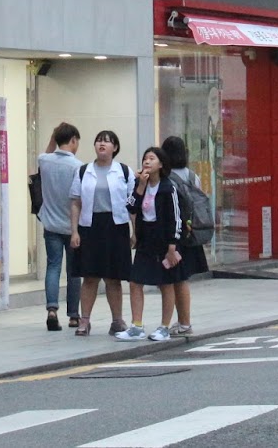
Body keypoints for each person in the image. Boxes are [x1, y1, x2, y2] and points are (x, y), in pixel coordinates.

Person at [68, 129, 133, 337]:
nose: (102, 144)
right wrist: (74, 231)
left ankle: (117, 320)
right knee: (90, 276)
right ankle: (84, 320)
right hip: (90, 226)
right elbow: (76, 202)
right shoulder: (83, 171)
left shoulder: (124, 171)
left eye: (107, 141)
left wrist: (136, 232)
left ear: (115, 147)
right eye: (98, 141)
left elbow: (133, 205)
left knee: (114, 277)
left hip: (116, 226)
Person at [115, 147, 184, 342]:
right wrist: (140, 186)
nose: (147, 162)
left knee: (166, 283)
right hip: (146, 239)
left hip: (164, 241)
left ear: (161, 164)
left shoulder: (168, 188)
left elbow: (175, 218)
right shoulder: (141, 184)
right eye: (145, 158)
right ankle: (137, 326)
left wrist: (172, 246)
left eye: (152, 159)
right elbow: (130, 206)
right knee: (136, 281)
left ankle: (164, 327)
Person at [37, 122, 84, 331]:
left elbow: (46, 153)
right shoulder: (78, 167)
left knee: (53, 267)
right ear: (73, 140)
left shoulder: (45, 161)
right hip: (73, 227)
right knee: (74, 271)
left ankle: (51, 310)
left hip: (51, 225)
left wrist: (53, 136)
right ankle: (74, 315)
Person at [162, 135, 207, 336]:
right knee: (182, 278)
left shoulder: (166, 178)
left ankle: (182, 322)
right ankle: (183, 321)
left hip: (173, 233)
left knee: (175, 279)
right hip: (190, 232)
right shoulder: (192, 175)